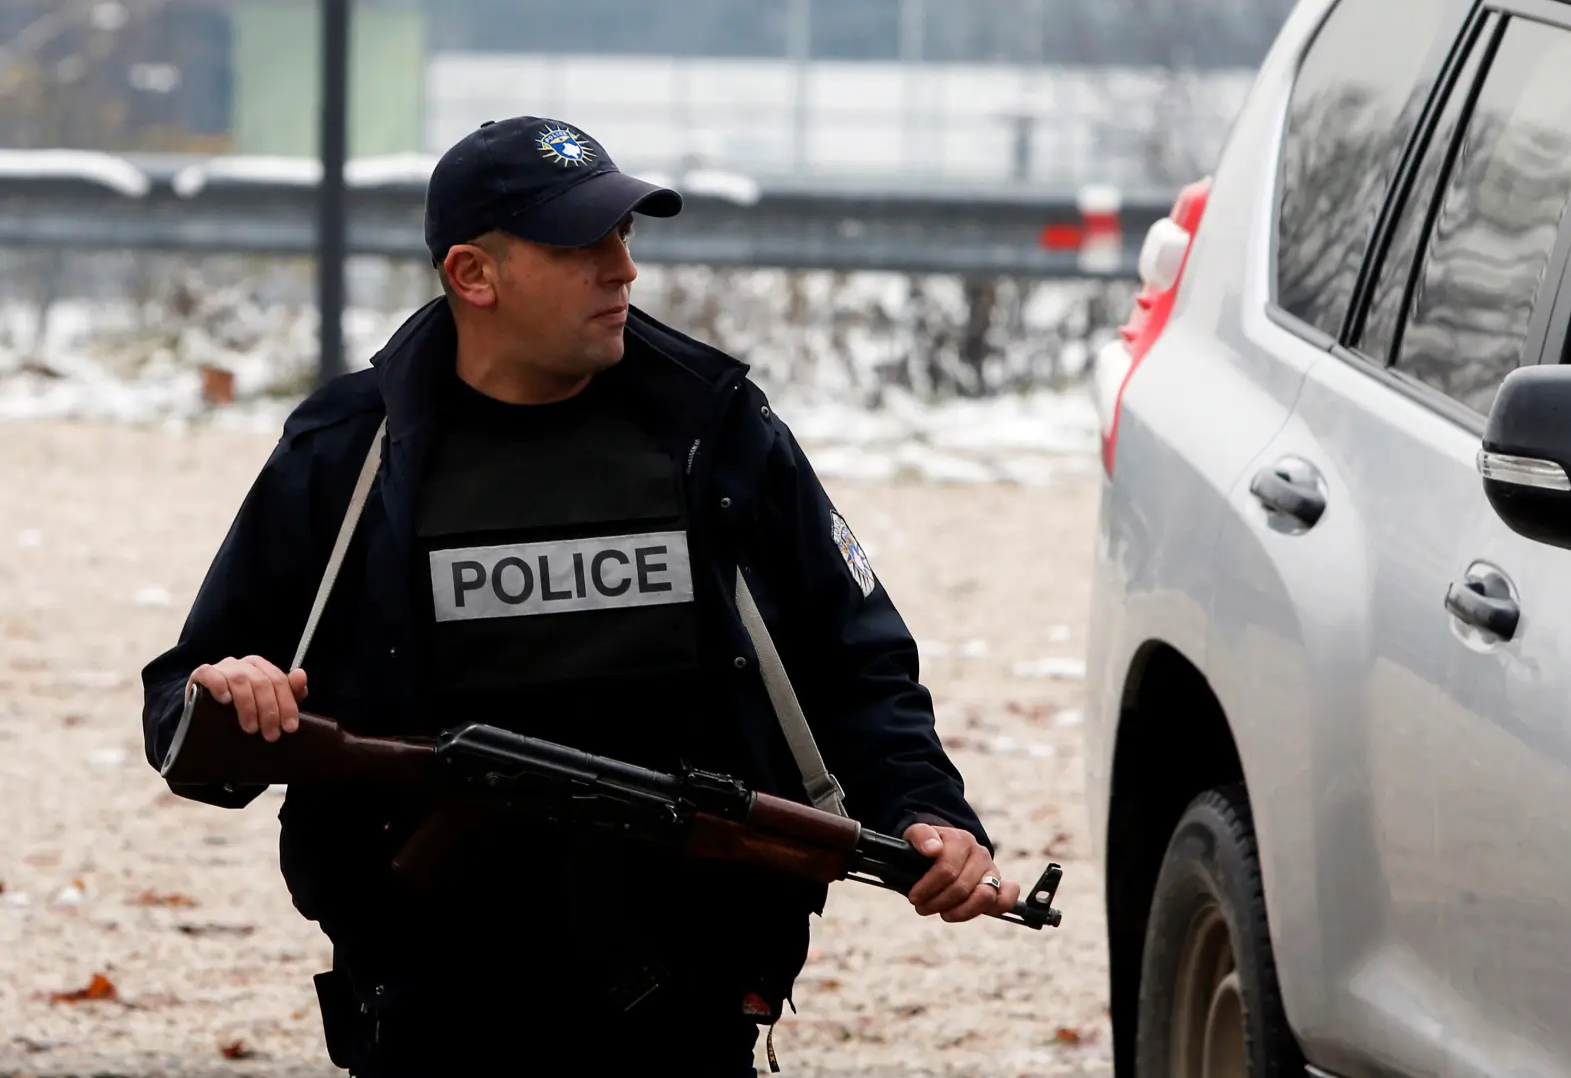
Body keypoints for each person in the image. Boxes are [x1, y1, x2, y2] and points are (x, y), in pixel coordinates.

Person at [138, 115, 1016, 1077]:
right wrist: (230, 691)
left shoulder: (713, 429)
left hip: (690, 987)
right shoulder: (352, 449)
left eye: (626, 235)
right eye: (582, 244)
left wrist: (927, 805)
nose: (624, 269)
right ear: (475, 275)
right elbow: (185, 705)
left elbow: (853, 651)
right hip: (432, 998)